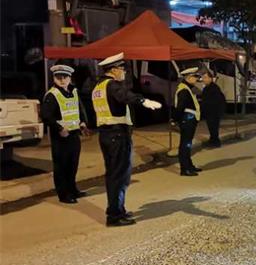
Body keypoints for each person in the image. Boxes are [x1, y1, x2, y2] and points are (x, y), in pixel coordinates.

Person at [93, 53, 161, 227]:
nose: (124, 72)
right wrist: (143, 100)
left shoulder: (98, 87)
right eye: (122, 69)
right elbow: (124, 95)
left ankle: (118, 209)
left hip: (106, 135)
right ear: (114, 70)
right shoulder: (112, 85)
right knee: (119, 176)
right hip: (117, 135)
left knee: (113, 174)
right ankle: (115, 215)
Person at [41, 64, 90, 204]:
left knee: (72, 165)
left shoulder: (73, 91)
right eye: (59, 77)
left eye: (65, 77)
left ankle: (73, 189)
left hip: (74, 134)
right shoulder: (52, 95)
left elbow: (79, 108)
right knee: (61, 166)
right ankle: (64, 194)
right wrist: (59, 129)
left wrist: (83, 122)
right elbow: (46, 116)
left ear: (70, 78)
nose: (62, 80)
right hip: (60, 137)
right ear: (54, 78)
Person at [174, 67, 203, 175]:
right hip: (187, 120)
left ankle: (189, 166)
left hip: (189, 120)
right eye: (195, 77)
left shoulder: (186, 88)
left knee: (187, 144)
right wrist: (175, 119)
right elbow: (180, 107)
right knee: (185, 145)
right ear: (188, 77)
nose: (196, 79)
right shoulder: (184, 90)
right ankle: (185, 169)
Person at [200, 70, 226, 148]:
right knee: (211, 128)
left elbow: (216, 101)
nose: (203, 79)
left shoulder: (214, 88)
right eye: (203, 78)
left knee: (213, 128)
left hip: (214, 112)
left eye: (205, 77)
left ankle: (215, 142)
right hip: (209, 112)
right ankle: (212, 140)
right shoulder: (207, 88)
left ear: (210, 78)